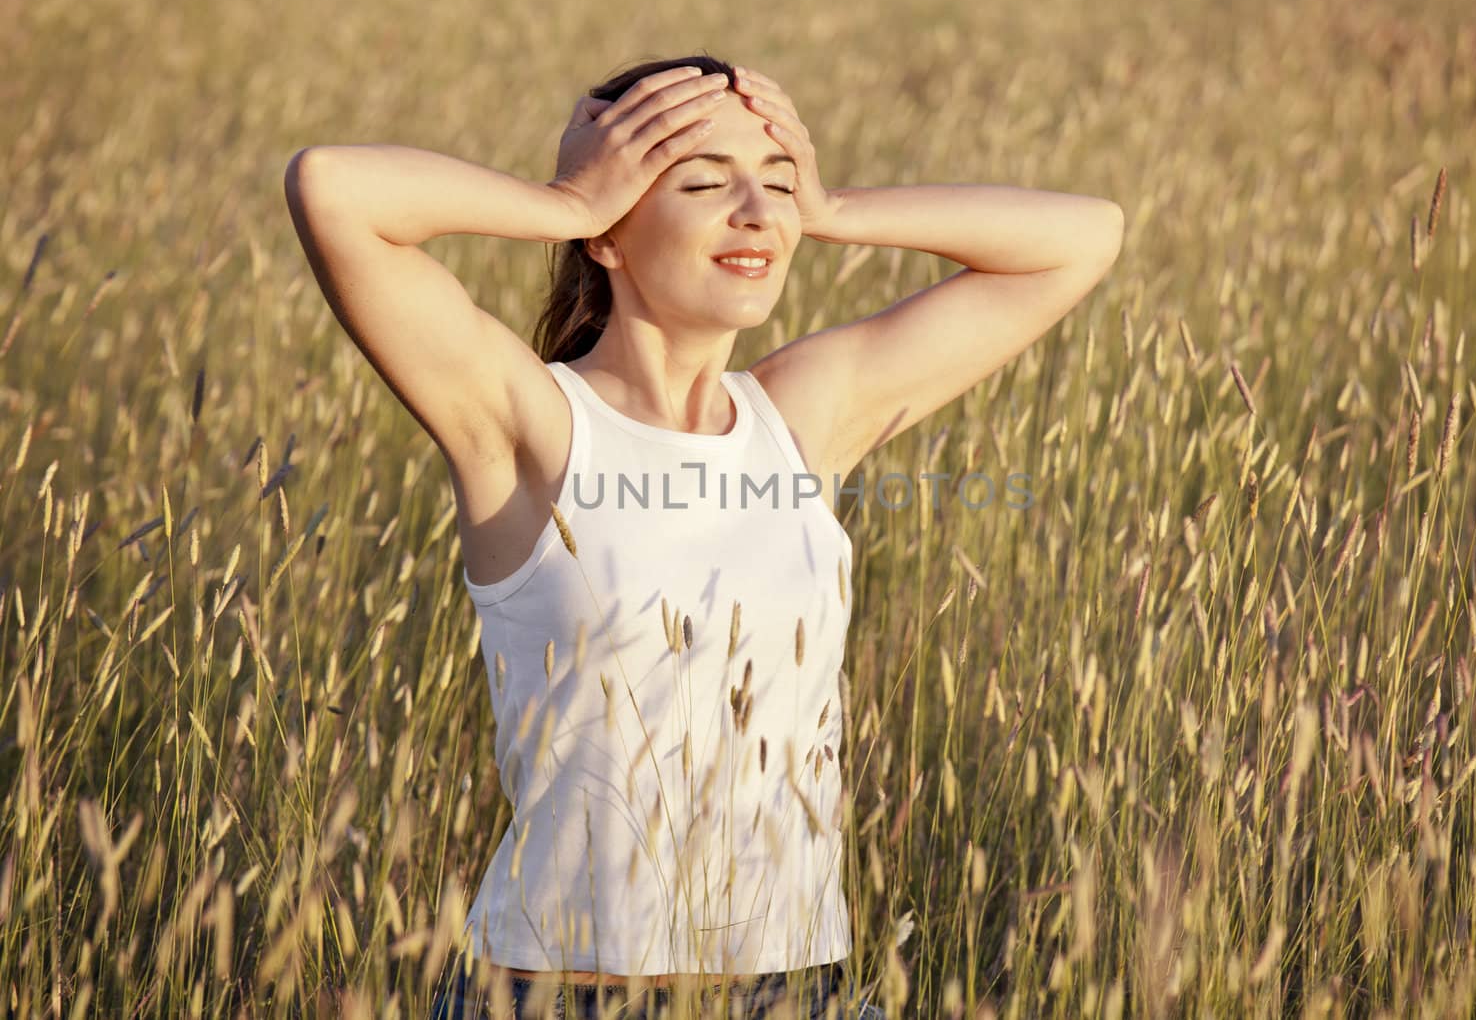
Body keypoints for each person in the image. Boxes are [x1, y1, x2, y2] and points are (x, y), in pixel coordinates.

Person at [284, 52, 1123, 1019]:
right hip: (562, 996)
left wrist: (835, 204)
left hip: (797, 991)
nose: (759, 215)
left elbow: (1083, 237)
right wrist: (567, 202)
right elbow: (333, 188)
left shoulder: (804, 416)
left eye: (774, 184)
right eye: (701, 182)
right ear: (612, 233)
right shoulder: (531, 425)